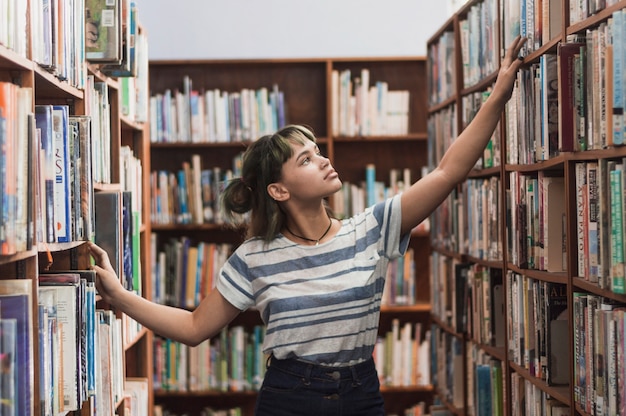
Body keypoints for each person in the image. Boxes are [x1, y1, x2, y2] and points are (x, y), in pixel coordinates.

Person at [88, 35, 527, 416]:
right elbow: (193, 329)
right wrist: (120, 296)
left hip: (361, 393)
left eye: (318, 151)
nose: (323, 159)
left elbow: (447, 173)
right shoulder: (255, 257)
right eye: (307, 159)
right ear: (279, 191)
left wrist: (499, 96)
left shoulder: (370, 230)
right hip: (289, 399)